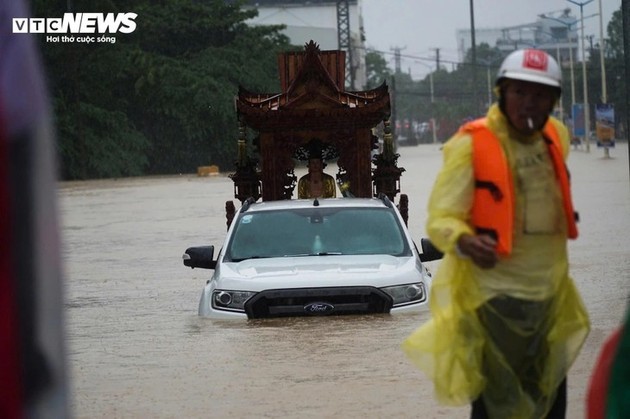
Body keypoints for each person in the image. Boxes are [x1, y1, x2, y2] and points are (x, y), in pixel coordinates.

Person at [402, 48, 590, 418]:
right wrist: (466, 240)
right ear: (502, 93)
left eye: (539, 95)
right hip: (493, 302)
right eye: (519, 92)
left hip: (550, 300)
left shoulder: (557, 137)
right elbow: (440, 219)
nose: (528, 104)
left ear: (553, 102)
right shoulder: (471, 144)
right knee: (494, 406)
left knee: (551, 405)